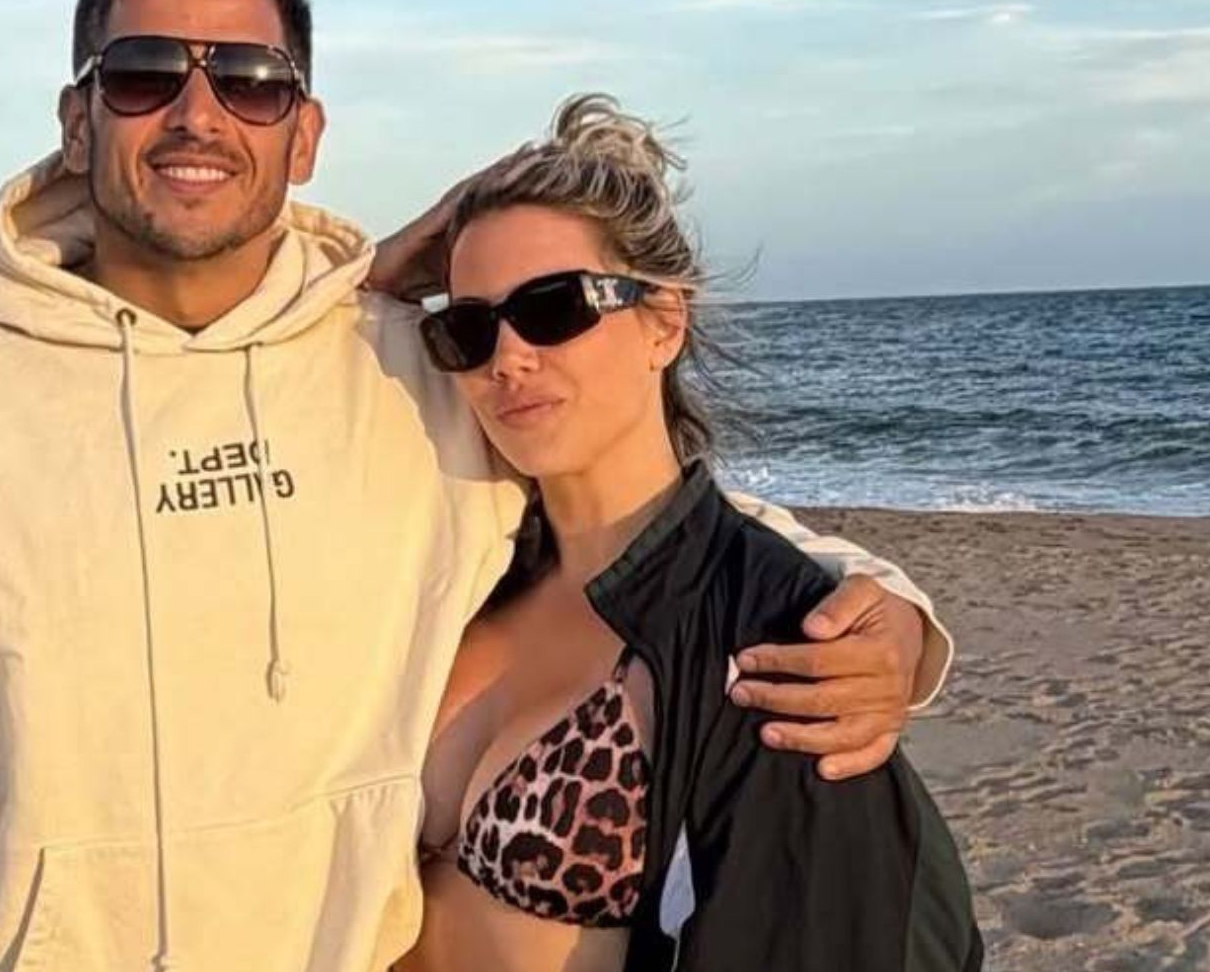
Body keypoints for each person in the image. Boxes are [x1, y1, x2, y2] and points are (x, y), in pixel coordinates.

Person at [0, 0, 955, 972]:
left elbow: (635, 511)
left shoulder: (407, 372)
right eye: (144, 73)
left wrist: (887, 611)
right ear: (78, 118)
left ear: (303, 133)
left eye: (249, 81)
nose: (197, 113)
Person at [399, 95, 981, 971]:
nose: (508, 357)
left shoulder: (782, 641)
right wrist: (374, 270)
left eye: (555, 308)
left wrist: (902, 619)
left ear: (663, 324)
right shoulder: (464, 569)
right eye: (468, 328)